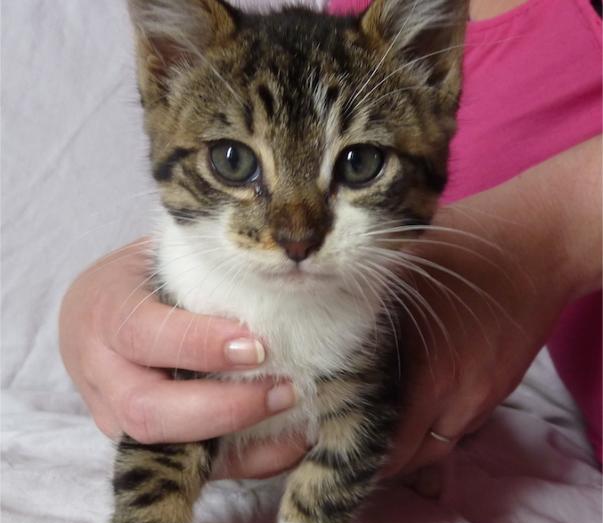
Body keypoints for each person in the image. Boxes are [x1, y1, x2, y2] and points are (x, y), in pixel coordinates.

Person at [59, 0, 602, 481]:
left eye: (359, 162)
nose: (297, 234)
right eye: (234, 160)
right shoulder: (356, 35)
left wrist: (549, 238)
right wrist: (133, 291)